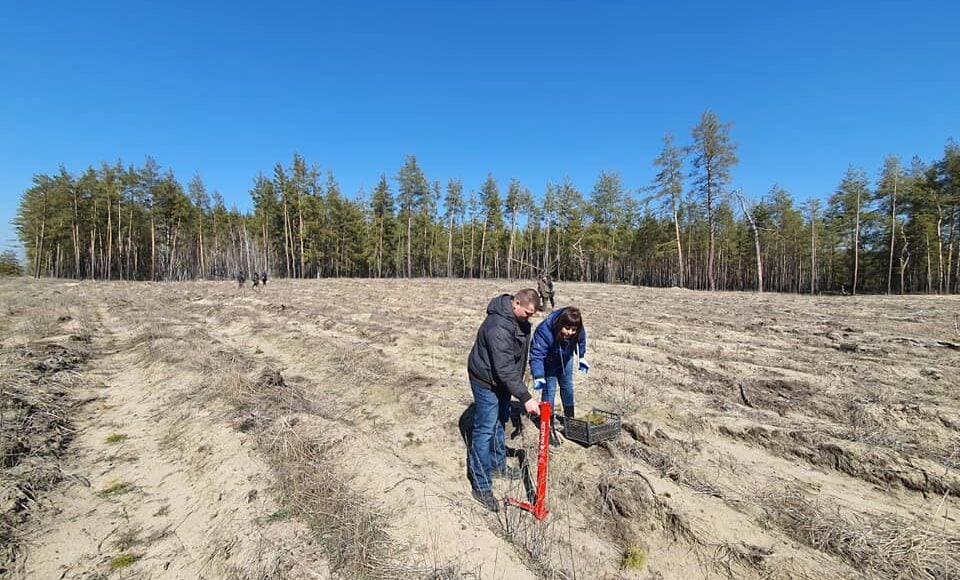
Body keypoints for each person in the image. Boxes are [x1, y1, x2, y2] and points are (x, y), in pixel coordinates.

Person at [467, 288, 541, 512]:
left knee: (500, 420)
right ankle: (480, 485)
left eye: (533, 314)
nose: (530, 317)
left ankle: (498, 465)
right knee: (485, 429)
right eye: (528, 313)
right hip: (485, 379)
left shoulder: (519, 321)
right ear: (516, 303)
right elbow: (503, 367)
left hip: (502, 380)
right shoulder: (498, 326)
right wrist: (525, 396)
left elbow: (517, 358)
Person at [529, 306, 588, 445]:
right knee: (549, 391)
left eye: (573, 330)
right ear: (560, 324)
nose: (570, 332)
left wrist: (582, 356)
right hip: (549, 360)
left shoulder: (577, 328)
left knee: (567, 387)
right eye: (567, 328)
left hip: (566, 358)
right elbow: (536, 354)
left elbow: (581, 339)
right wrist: (538, 374)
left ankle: (570, 420)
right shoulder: (545, 330)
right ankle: (547, 426)